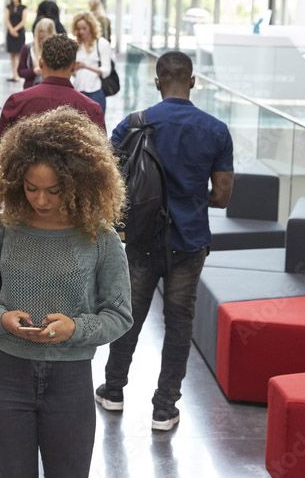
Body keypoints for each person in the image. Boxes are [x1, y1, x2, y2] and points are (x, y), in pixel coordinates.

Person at [0, 106, 134, 478]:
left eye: (54, 190)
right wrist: (1, 319)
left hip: (70, 382)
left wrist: (76, 328)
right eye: (31, 188)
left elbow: (119, 314)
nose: (41, 200)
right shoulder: (0, 230)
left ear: (78, 183)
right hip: (4, 376)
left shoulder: (99, 237)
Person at [96, 51, 234, 432]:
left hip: (142, 240)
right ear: (192, 81)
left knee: (129, 314)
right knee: (179, 322)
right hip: (189, 242)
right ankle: (164, 407)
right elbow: (222, 195)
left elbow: (107, 178)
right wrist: (191, 199)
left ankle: (113, 389)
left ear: (157, 82)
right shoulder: (216, 130)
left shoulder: (134, 124)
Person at [0, 34, 105, 143]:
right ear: (73, 67)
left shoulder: (16, 103)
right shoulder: (91, 109)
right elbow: (102, 155)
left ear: (41, 63)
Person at [70, 11, 113, 114]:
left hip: (96, 91)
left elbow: (106, 71)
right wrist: (74, 69)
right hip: (77, 90)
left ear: (91, 27)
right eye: (78, 29)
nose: (81, 32)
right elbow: (71, 72)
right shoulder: (75, 45)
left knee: (97, 127)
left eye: (84, 28)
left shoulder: (102, 43)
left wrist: (86, 66)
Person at [17, 18, 55, 87]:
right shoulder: (27, 48)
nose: (43, 37)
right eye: (41, 32)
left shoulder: (56, 49)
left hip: (50, 88)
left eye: (46, 33)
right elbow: (20, 71)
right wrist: (33, 71)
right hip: (31, 87)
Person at [4, 0, 27, 81]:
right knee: (12, 54)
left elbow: (23, 21)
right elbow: (6, 19)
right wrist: (11, 30)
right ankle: (13, 74)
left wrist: (15, 29)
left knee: (18, 54)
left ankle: (17, 74)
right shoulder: (8, 7)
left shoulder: (24, 7)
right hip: (10, 33)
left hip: (20, 33)